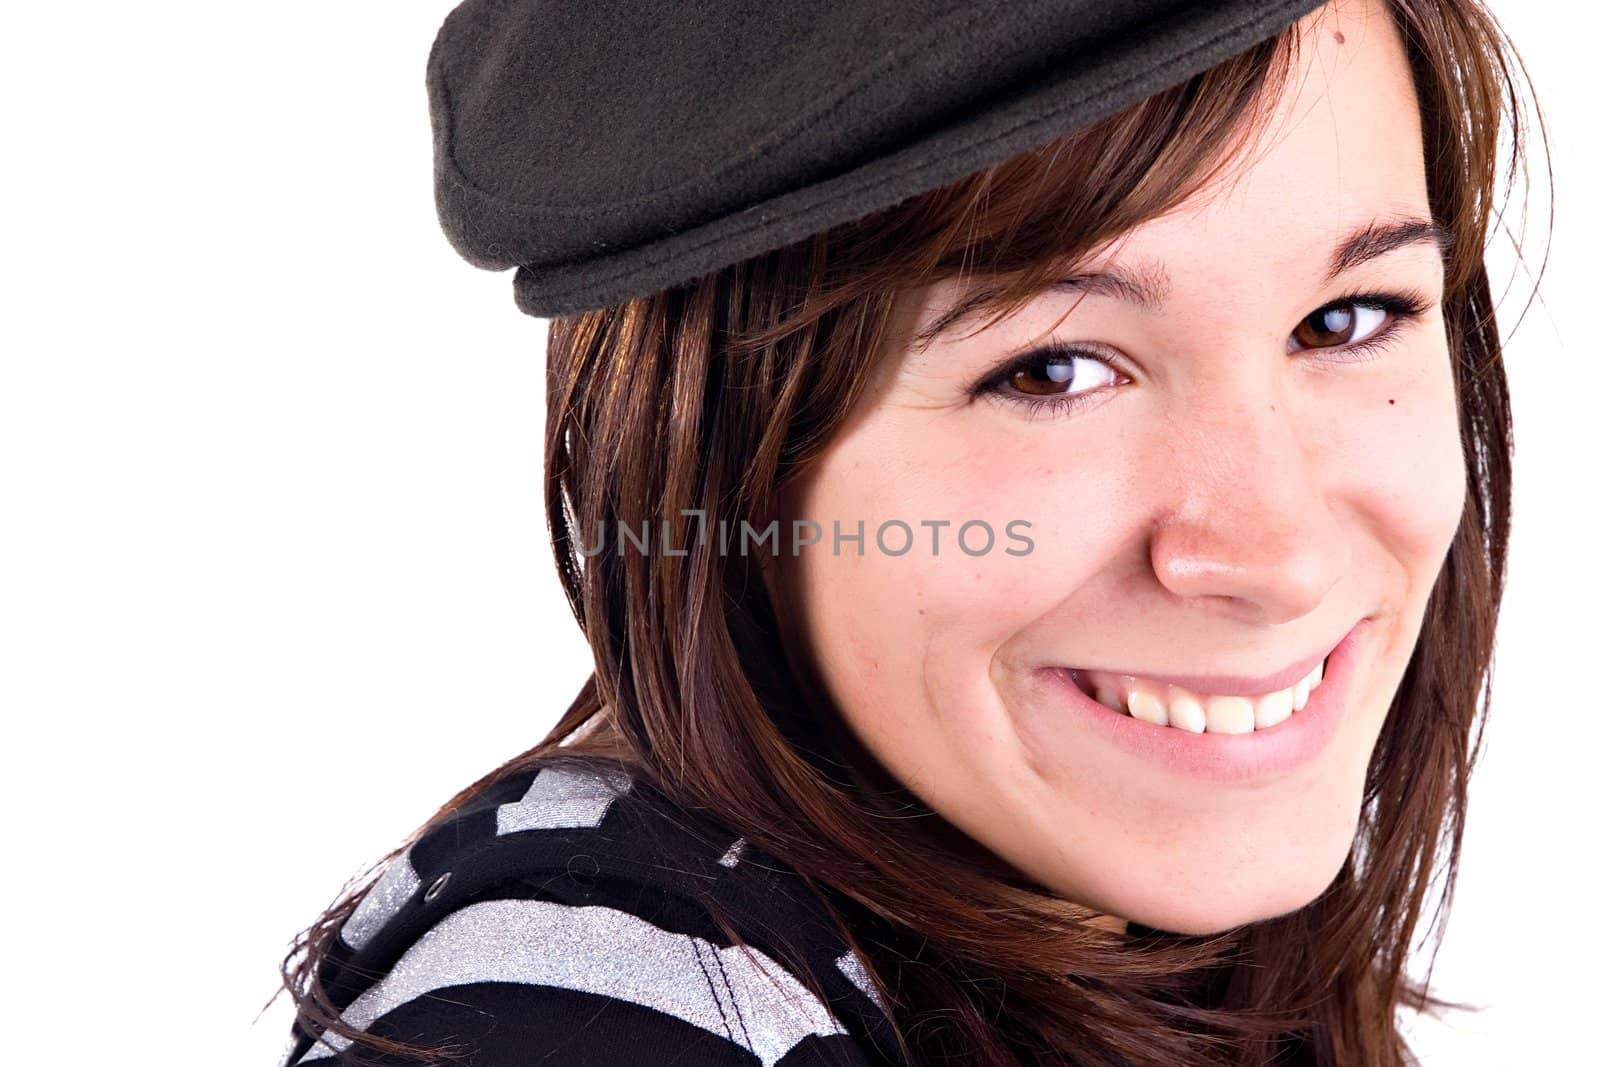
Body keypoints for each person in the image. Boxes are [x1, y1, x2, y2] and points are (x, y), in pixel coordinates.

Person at [276, 0, 1538, 1063]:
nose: (1278, 556)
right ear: (722, 466)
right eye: (1052, 370)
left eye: (1348, 318)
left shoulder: (1117, 938)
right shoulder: (602, 1001)